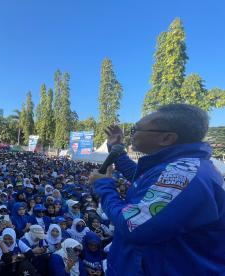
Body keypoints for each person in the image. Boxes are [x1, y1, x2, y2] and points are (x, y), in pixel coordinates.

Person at [89, 104, 225, 275]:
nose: (131, 134)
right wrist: (117, 149)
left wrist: (103, 186)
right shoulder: (178, 166)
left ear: (166, 138)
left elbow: (133, 225)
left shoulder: (182, 175)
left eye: (135, 129)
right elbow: (143, 179)